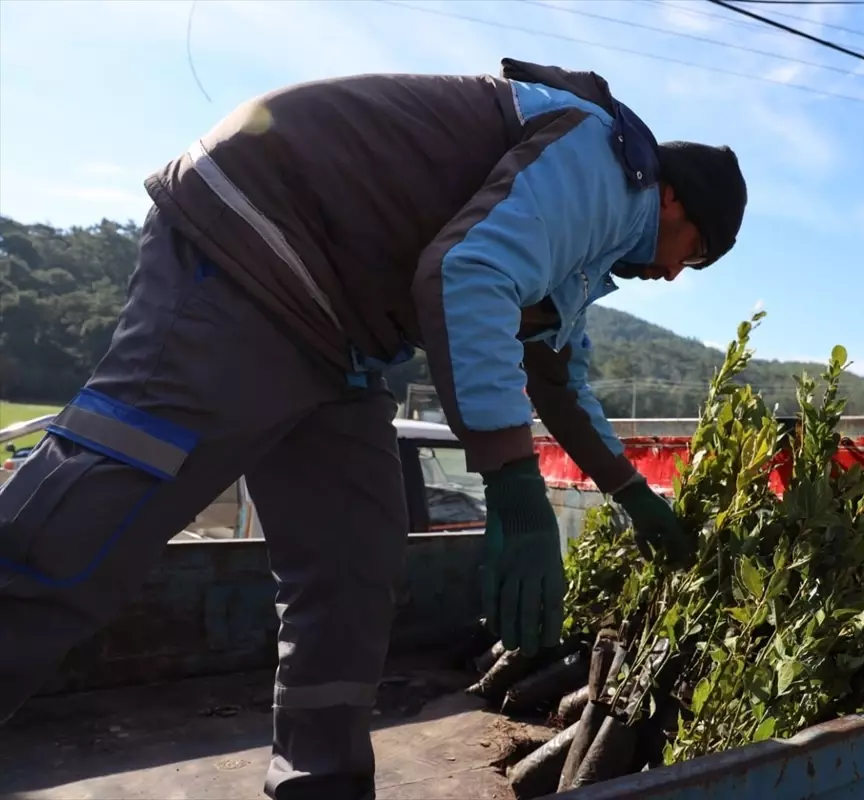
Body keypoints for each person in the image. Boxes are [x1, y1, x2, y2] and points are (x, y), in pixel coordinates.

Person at [0, 57, 747, 798]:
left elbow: (560, 378)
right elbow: (468, 272)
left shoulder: (584, 251)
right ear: (674, 200)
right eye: (695, 256)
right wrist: (514, 487)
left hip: (341, 338)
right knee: (98, 511)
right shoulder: (603, 160)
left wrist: (636, 498)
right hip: (251, 245)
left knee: (352, 560)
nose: (679, 275)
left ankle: (321, 783)